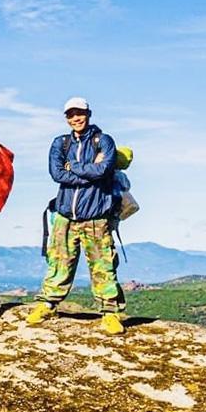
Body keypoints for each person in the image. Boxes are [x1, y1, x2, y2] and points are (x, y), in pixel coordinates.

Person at [27, 97, 127, 334]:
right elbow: (57, 174)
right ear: (66, 118)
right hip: (65, 215)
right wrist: (89, 171)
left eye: (79, 113)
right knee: (59, 262)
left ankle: (111, 313)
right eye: (71, 114)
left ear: (88, 113)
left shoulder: (103, 141)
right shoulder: (60, 144)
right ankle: (48, 304)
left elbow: (103, 170)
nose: (76, 118)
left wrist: (74, 168)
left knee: (103, 265)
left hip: (96, 215)